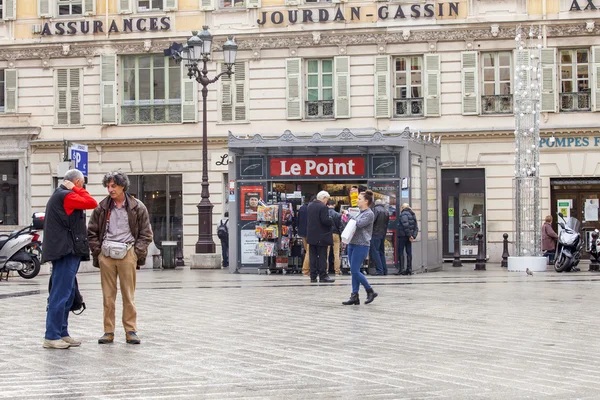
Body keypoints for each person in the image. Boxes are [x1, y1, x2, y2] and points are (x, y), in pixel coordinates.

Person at [88, 171, 153, 345]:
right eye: (108, 186)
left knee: (128, 295)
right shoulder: (101, 208)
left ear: (122, 186)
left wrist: (135, 253)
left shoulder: (137, 207)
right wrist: (98, 252)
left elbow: (146, 234)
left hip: (128, 253)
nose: (110, 189)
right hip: (106, 255)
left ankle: (130, 330)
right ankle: (108, 331)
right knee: (108, 296)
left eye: (113, 186)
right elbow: (91, 232)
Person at [42, 169, 98, 349]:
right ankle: (51, 336)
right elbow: (92, 202)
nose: (83, 187)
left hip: (67, 250)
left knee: (67, 293)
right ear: (77, 182)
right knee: (60, 294)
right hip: (65, 251)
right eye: (82, 184)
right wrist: (77, 189)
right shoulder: (67, 196)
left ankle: (62, 332)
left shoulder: (62, 195)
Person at [342, 190, 378, 305]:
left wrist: (348, 215)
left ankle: (370, 290)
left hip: (361, 244)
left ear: (366, 201)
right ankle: (354, 295)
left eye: (359, 199)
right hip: (352, 243)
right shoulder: (359, 212)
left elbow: (359, 224)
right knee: (354, 271)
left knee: (354, 270)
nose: (357, 201)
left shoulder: (369, 213)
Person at [306, 191, 335, 283]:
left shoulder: (310, 205)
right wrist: (331, 220)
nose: (327, 201)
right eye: (327, 199)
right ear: (323, 198)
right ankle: (323, 276)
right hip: (322, 235)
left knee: (313, 256)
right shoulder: (322, 207)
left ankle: (313, 276)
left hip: (311, 235)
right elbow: (325, 220)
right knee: (322, 256)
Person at [396, 203, 418, 275]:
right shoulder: (412, 214)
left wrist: (409, 235)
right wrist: (413, 236)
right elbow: (416, 227)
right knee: (409, 252)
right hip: (409, 237)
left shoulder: (403, 214)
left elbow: (405, 225)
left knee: (401, 251)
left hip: (403, 236)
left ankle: (401, 269)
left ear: (402, 207)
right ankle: (409, 269)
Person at [371, 199, 390, 275]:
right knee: (381, 252)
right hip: (383, 233)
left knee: (375, 252)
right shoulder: (386, 211)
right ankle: (384, 270)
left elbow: (372, 221)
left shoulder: (376, 210)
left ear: (375, 204)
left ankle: (379, 270)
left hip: (375, 233)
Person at [327, 200, 343, 276]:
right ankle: (337, 271)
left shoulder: (324, 214)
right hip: (336, 234)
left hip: (327, 234)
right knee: (336, 254)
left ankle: (325, 270)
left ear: (327, 205)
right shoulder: (338, 214)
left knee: (326, 253)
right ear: (334, 205)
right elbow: (340, 226)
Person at [298, 196, 313, 276]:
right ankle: (306, 269)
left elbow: (298, 219)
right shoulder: (312, 209)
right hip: (310, 232)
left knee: (307, 250)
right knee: (309, 251)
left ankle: (307, 269)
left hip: (302, 232)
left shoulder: (302, 208)